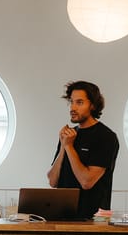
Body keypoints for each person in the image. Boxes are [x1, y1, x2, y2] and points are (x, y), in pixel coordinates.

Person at [47, 80, 119, 220]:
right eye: (71, 102)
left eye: (79, 102)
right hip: (61, 217)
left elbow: (87, 182)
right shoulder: (69, 135)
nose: (73, 108)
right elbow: (52, 181)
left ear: (93, 105)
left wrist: (69, 147)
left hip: (91, 220)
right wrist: (63, 147)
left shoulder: (106, 137)